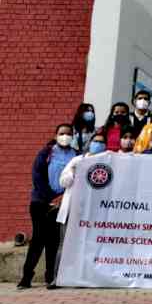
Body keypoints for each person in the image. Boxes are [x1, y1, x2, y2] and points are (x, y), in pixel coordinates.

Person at [17, 124, 77, 289]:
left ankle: (50, 276)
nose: (65, 136)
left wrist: (62, 198)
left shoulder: (76, 155)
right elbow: (37, 176)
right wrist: (50, 197)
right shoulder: (46, 152)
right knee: (38, 240)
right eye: (62, 133)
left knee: (54, 241)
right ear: (56, 135)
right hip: (41, 203)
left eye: (68, 133)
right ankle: (26, 277)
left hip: (62, 204)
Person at [48, 129, 108, 289]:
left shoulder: (107, 163)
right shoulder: (76, 160)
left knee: (89, 245)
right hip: (71, 210)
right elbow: (63, 182)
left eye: (102, 142)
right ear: (90, 144)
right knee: (64, 244)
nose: (98, 145)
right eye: (96, 141)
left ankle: (83, 278)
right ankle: (57, 278)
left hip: (94, 212)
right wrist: (74, 172)